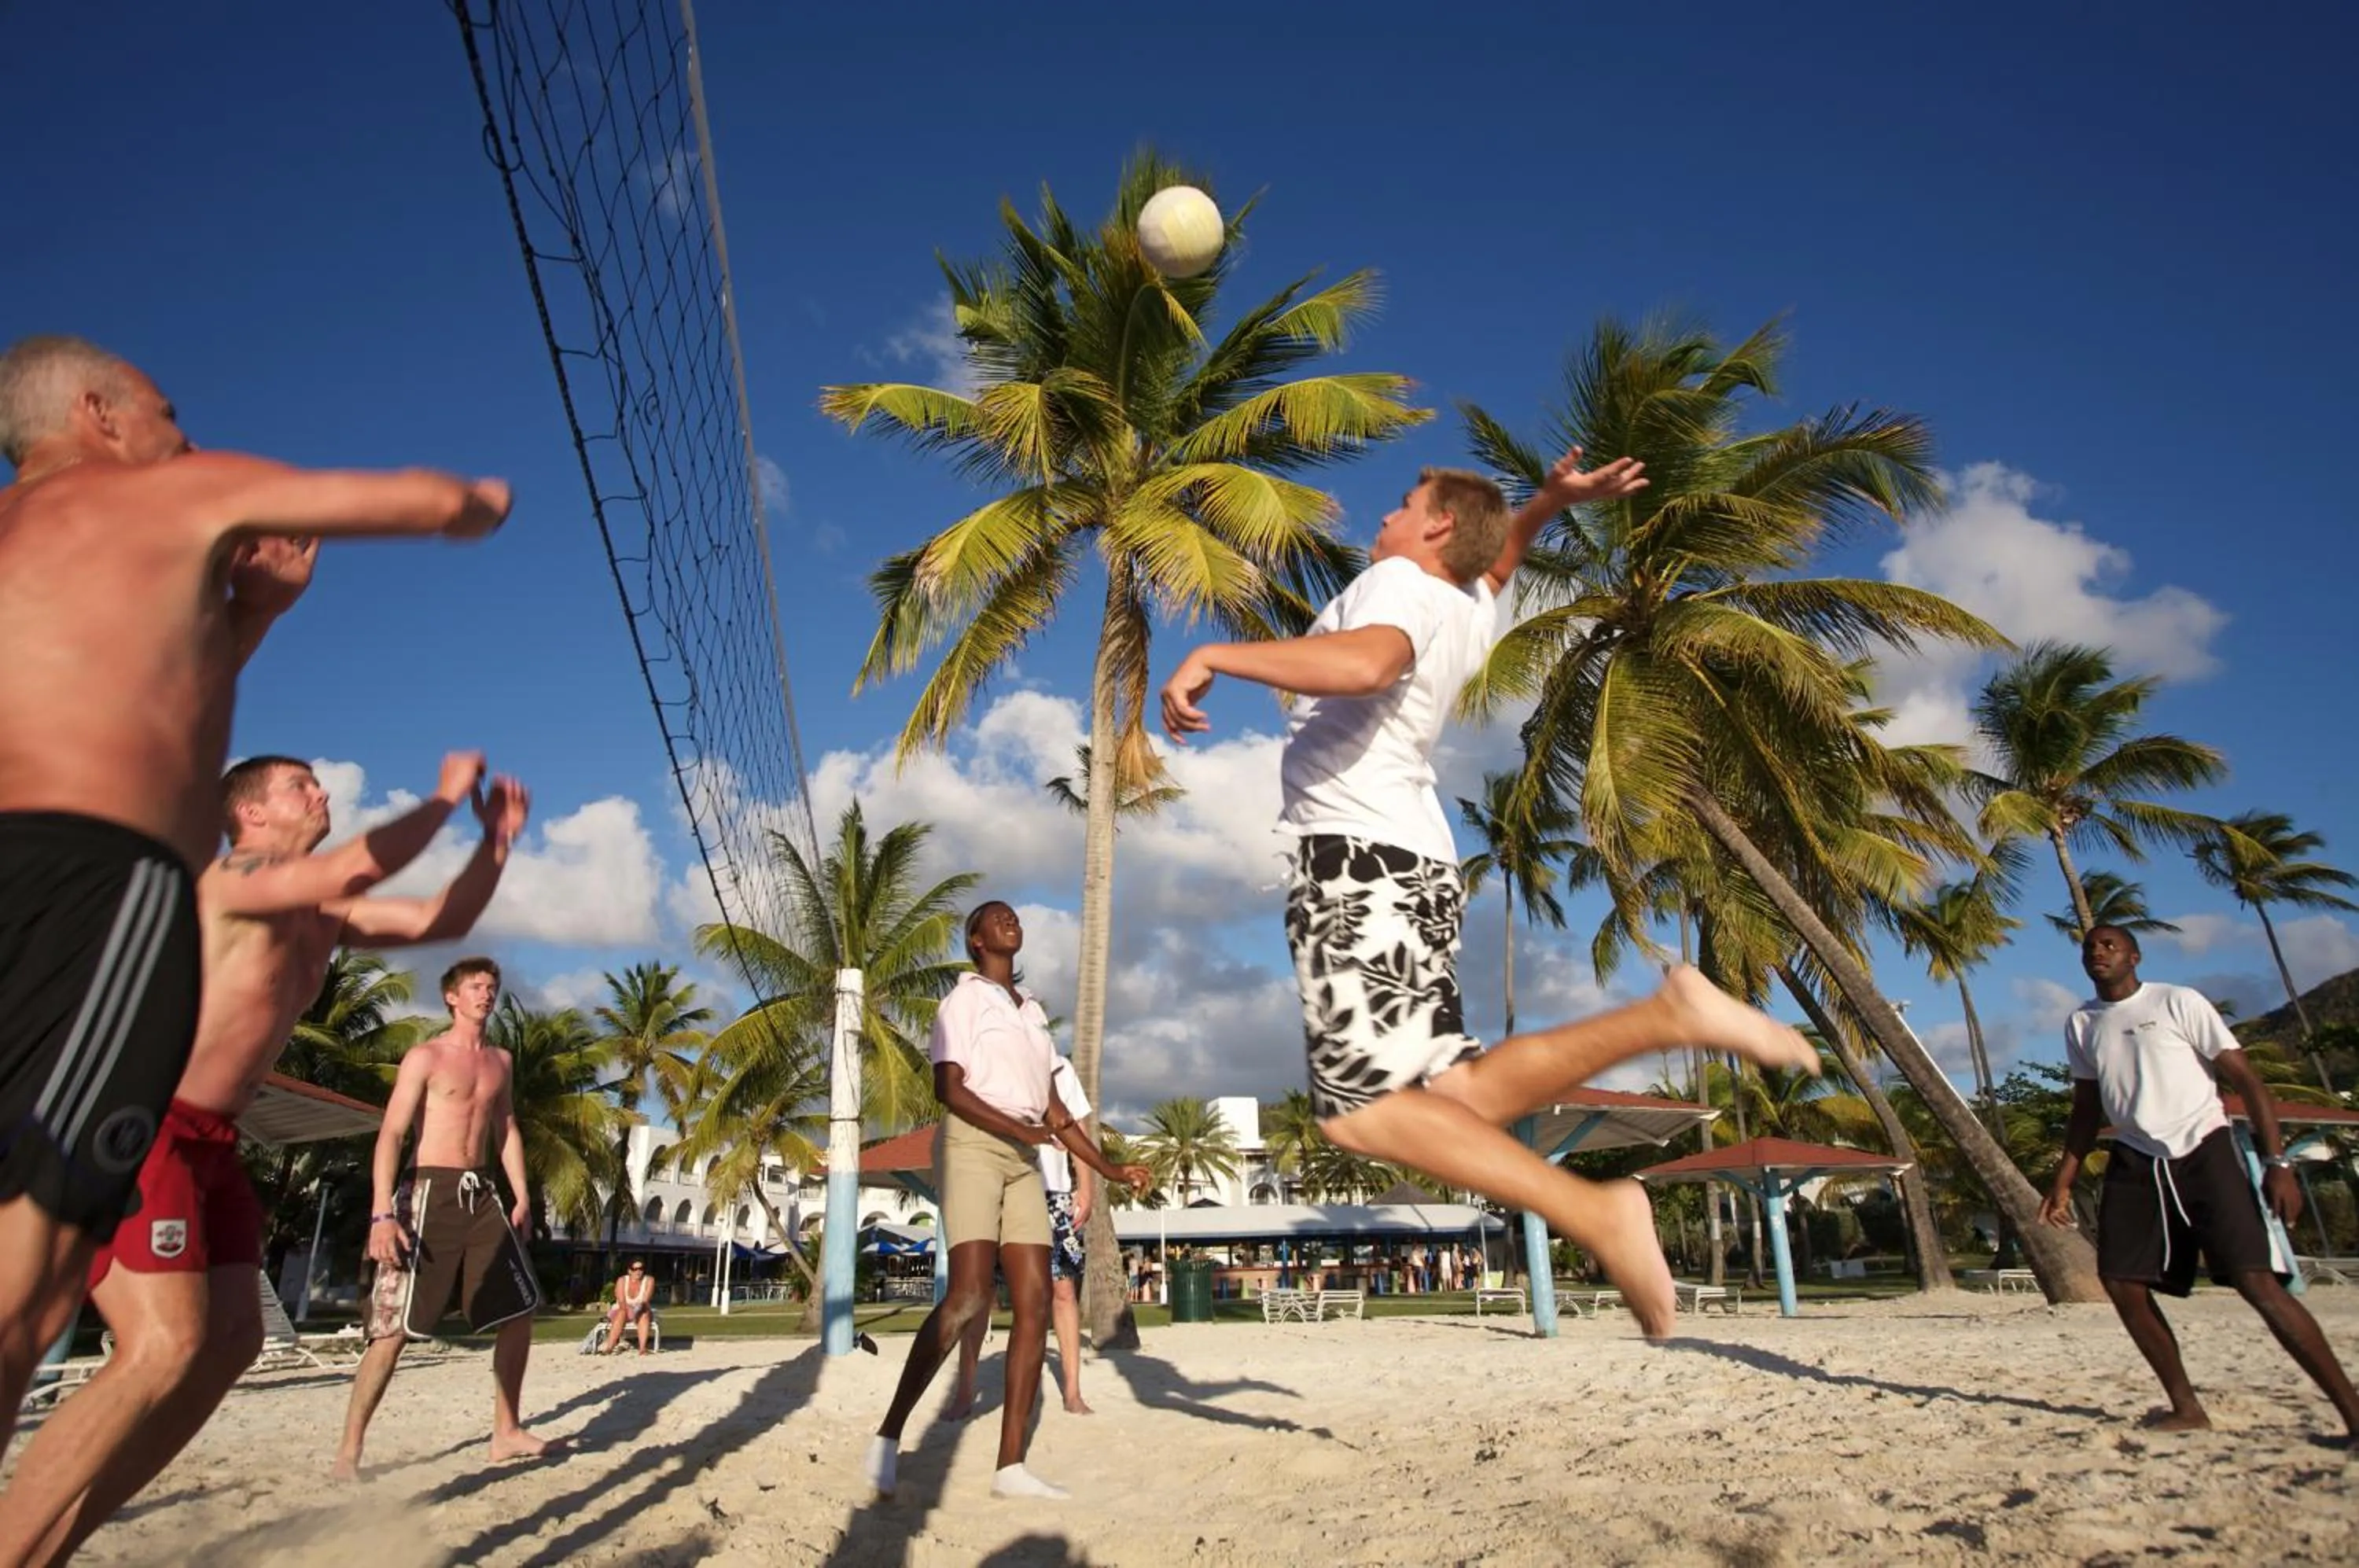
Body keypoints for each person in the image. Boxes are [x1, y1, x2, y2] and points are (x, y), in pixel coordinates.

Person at [1158, 451, 1820, 1337]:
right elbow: (1496, 566)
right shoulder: (1463, 606)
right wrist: (1545, 502)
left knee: (1361, 1118)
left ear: (1436, 527)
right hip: (1416, 867)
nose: (1384, 518)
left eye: (1403, 504)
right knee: (1458, 1095)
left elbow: (1369, 663)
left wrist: (1213, 654)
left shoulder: (1398, 583)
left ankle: (1594, 1210)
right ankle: (1669, 1014)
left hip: (1356, 863)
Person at [0, 333, 510, 1434]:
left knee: (202, 1339)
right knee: (44, 1304)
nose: (183, 437)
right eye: (165, 411)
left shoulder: (47, 552)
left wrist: (262, 611)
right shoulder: (150, 497)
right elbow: (413, 500)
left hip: (198, 1108)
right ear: (96, 412)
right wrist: (476, 501)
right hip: (103, 944)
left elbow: (153, 698)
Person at [0, 751, 528, 1561]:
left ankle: (52, 1545)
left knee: (233, 1341)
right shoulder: (236, 877)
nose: (321, 793)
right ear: (250, 813)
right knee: (163, 1344)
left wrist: (494, 844)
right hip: (143, 1121)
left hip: (217, 1141)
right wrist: (447, 796)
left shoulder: (321, 910)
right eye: (299, 786)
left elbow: (437, 918)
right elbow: (358, 862)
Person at [864, 902, 1149, 1501]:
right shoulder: (963, 1001)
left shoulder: (1033, 1014)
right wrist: (1022, 1131)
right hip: (972, 1146)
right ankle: (888, 1435)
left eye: (1014, 916)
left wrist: (1110, 1169)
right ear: (976, 940)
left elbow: (1056, 1113)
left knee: (1037, 1301)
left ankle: (1010, 1467)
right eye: (997, 918)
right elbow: (948, 1088)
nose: (1010, 921)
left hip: (1024, 1160)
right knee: (969, 1294)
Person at [2039, 924, 2359, 1440]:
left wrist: (2278, 1164)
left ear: (2134, 957)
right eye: (2090, 946)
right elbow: (2085, 1108)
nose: (2098, 951)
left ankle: (2354, 1415)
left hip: (2204, 1150)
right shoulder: (2082, 1022)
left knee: (2256, 1282)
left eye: (2110, 945)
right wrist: (2063, 1180)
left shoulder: (2177, 1001)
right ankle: (2187, 1408)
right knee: (2121, 1283)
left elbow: (2247, 1080)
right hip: (2137, 1157)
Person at [332, 958, 559, 1478]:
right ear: (452, 997)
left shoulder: (500, 1061)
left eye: (492, 986)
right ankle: (350, 1449)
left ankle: (505, 1431)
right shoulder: (426, 1057)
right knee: (392, 1330)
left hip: (481, 1193)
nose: (487, 994)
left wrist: (522, 1195)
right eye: (476, 986)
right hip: (426, 1191)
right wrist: (381, 1212)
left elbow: (506, 1128)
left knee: (519, 1309)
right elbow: (392, 1133)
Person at [948, 1048, 1101, 1418]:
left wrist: (1086, 1187)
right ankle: (964, 1393)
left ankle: (1073, 1392)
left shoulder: (1059, 1068)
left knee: (1063, 1289)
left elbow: (1077, 1127)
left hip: (1053, 1191)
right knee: (979, 1292)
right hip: (998, 1184)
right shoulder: (987, 1061)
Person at [603, 1260, 657, 1356]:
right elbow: (621, 1302)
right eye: (635, 1269)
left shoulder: (649, 1280)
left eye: (641, 1269)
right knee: (622, 1312)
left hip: (641, 1309)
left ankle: (642, 1348)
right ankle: (610, 1347)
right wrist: (630, 1310)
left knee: (643, 1313)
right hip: (622, 1310)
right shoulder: (622, 1281)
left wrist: (636, 1310)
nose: (638, 1271)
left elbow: (645, 1301)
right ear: (629, 1271)